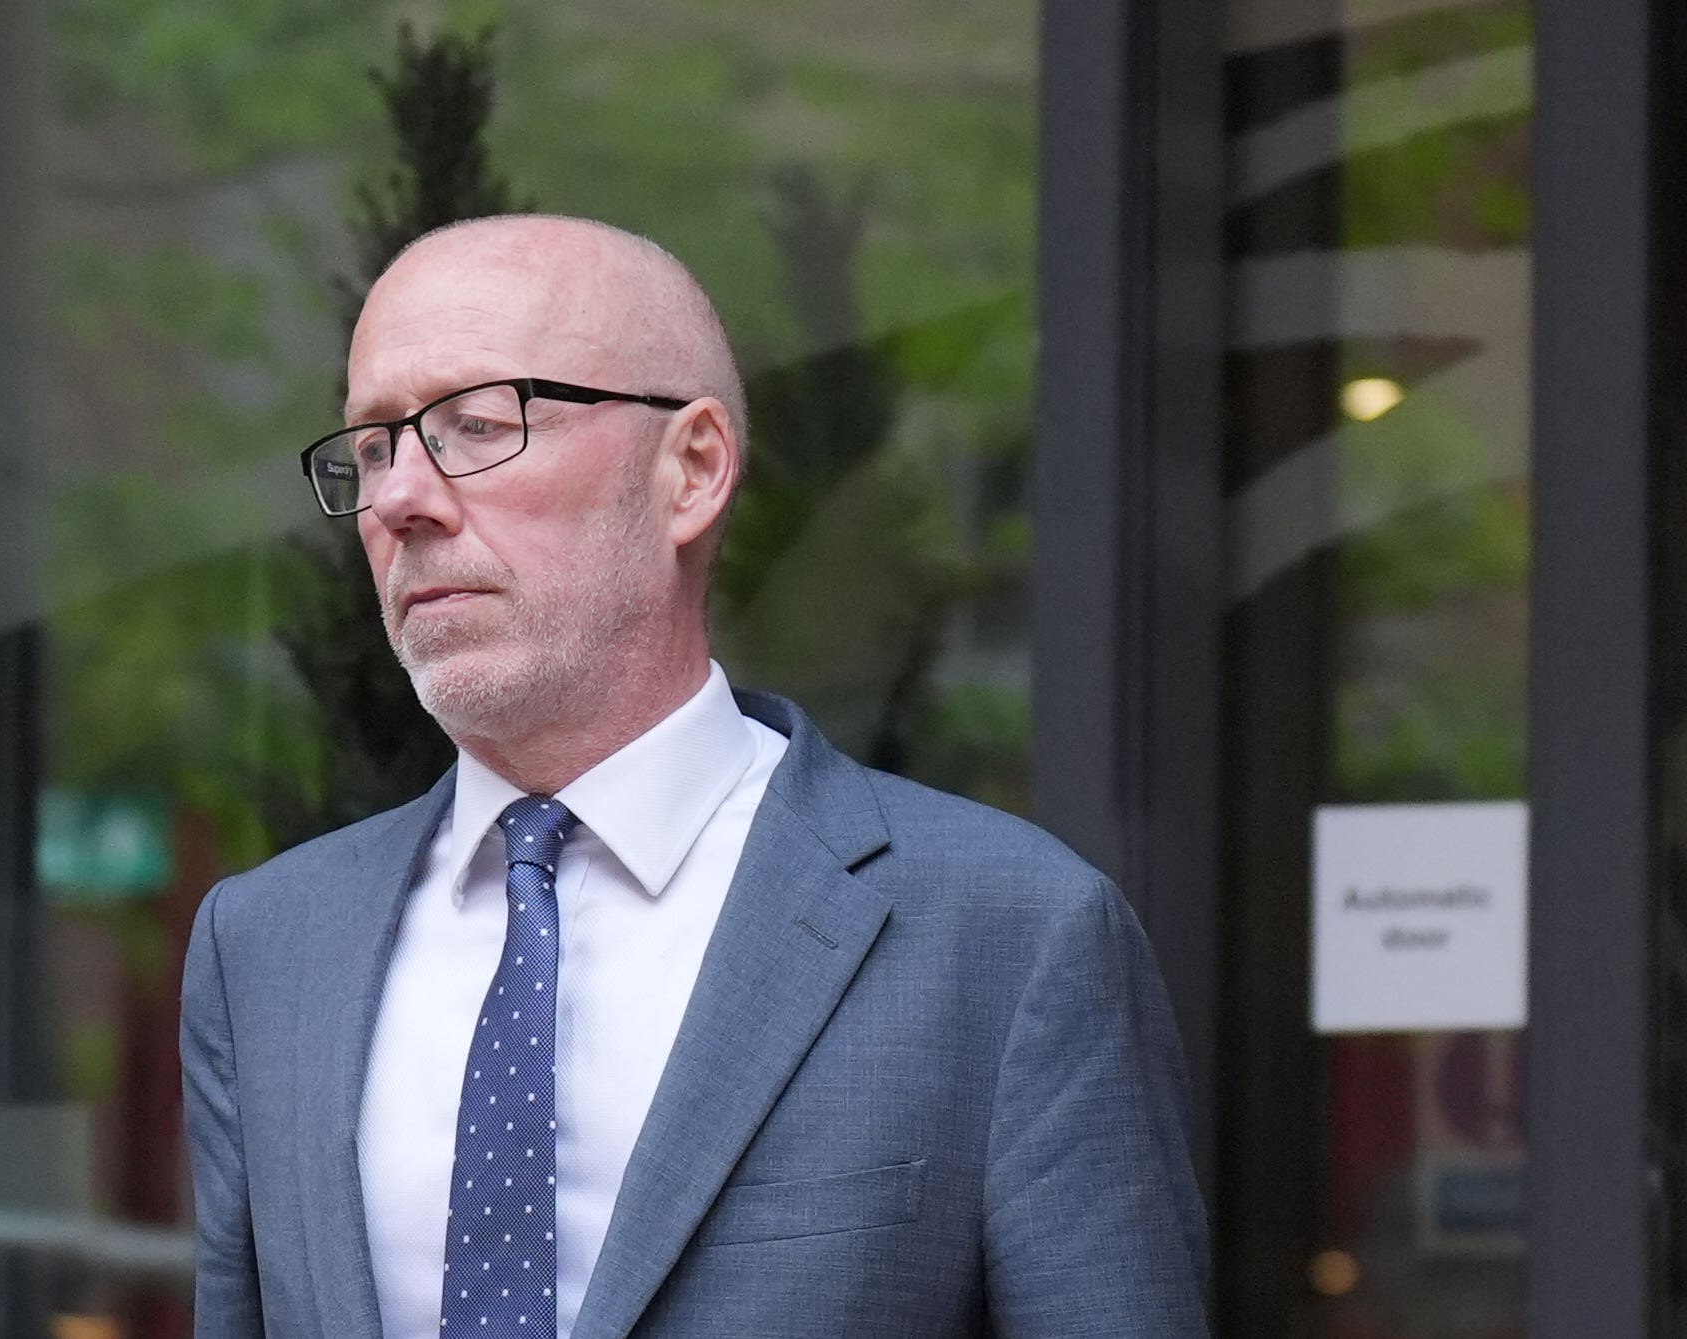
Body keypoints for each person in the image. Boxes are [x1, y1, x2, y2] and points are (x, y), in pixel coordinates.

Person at [181, 214, 1209, 1339]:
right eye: (374, 446)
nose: (397, 499)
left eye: (474, 425)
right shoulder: (266, 948)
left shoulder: (1009, 933)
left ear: (693, 469)